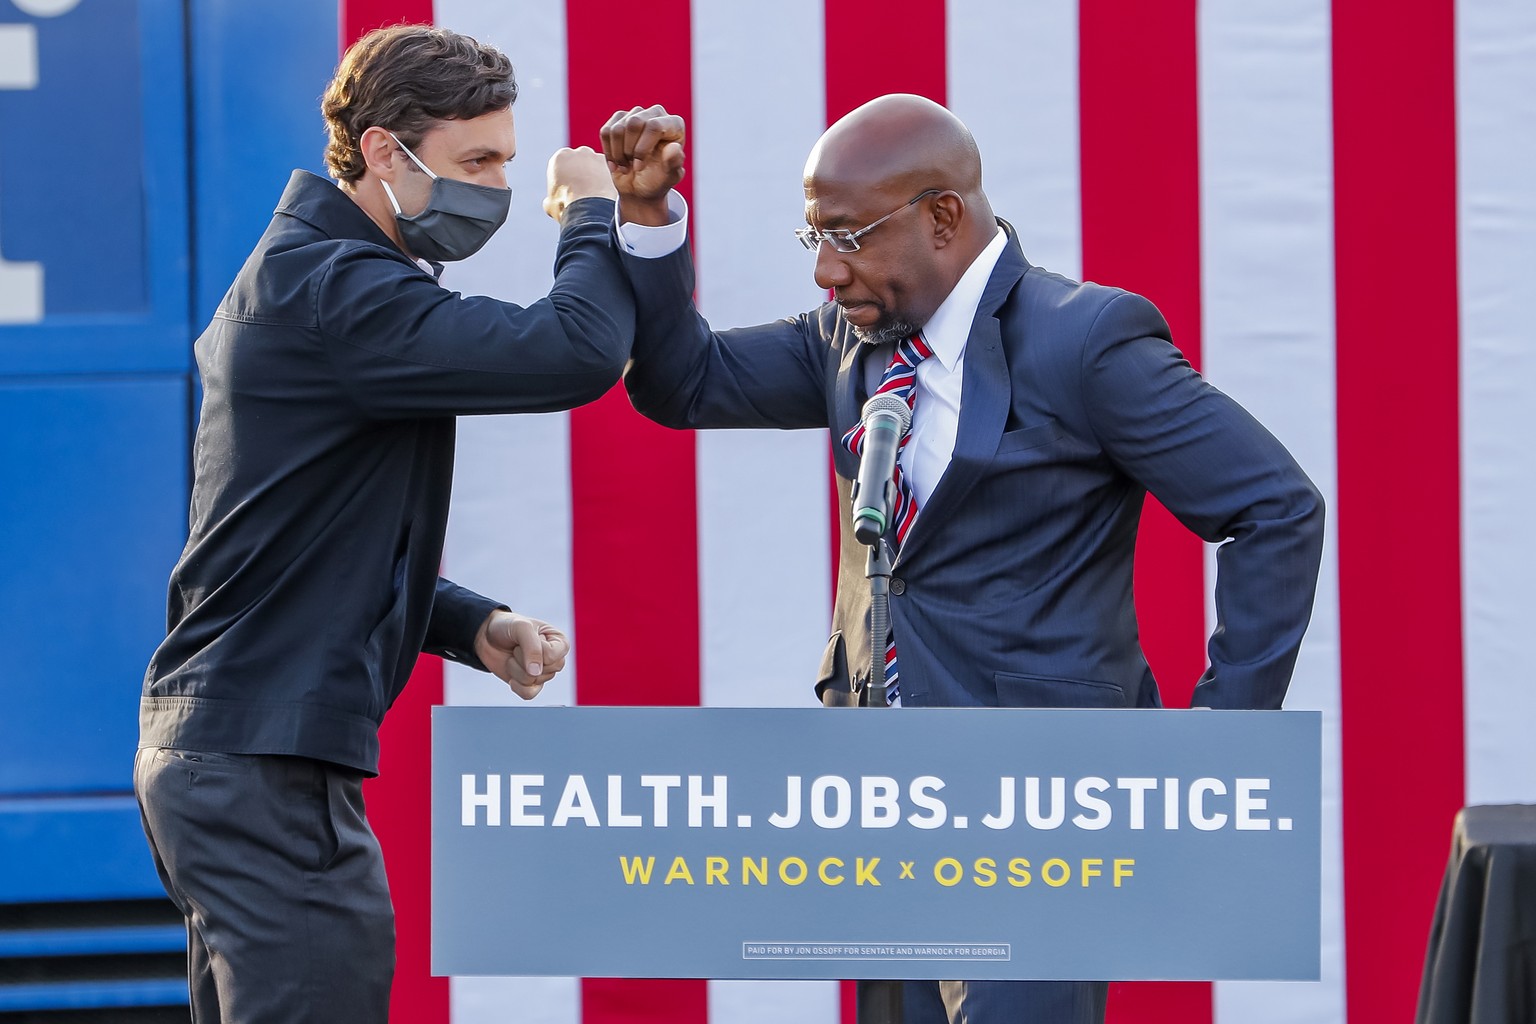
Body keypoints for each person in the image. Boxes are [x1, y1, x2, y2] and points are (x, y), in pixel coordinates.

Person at [601, 94, 1325, 1024]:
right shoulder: (849, 338)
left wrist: (1217, 751)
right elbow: (682, 382)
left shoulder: (1086, 340)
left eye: (848, 236)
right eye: (812, 237)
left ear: (941, 217)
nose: (826, 270)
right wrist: (650, 222)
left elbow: (1274, 507)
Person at [134, 25, 627, 1022]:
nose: (496, 187)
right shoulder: (337, 291)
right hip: (261, 766)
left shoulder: (317, 281)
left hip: (232, 755)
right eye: (475, 161)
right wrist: (593, 217)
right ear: (381, 152)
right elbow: (576, 351)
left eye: (508, 162)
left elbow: (301, 536)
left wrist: (470, 626)